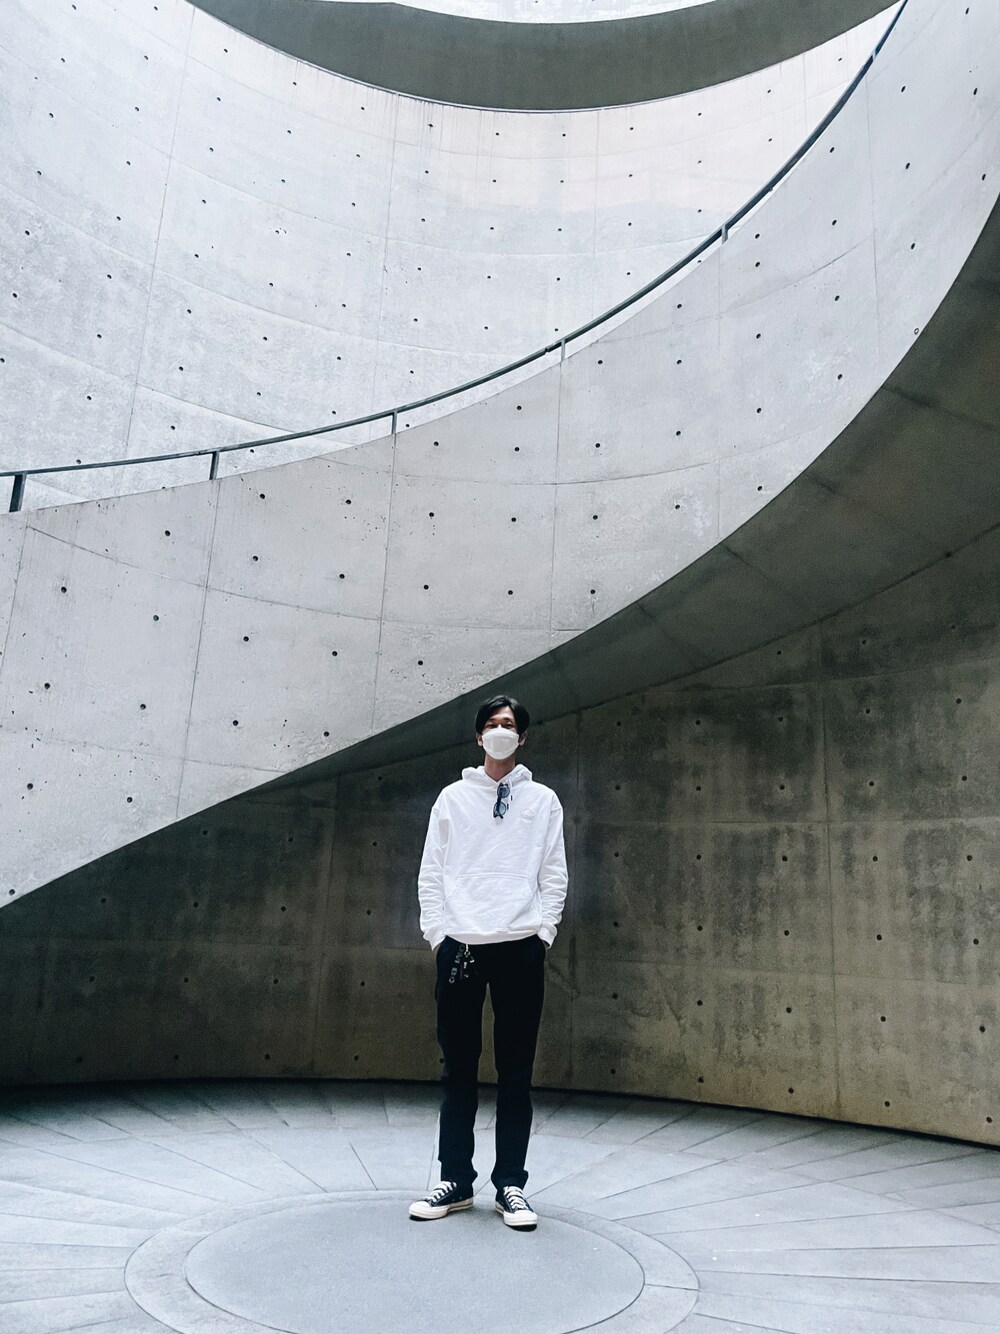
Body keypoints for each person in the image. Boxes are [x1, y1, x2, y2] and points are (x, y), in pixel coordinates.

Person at [409, 693, 568, 1230]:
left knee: (516, 1072)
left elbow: (554, 872)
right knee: (457, 1068)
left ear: (522, 737)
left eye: (510, 724)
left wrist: (543, 933)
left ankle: (511, 1186)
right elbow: (432, 871)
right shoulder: (453, 798)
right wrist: (438, 935)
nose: (501, 731)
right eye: (493, 724)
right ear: (479, 736)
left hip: (521, 944)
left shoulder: (543, 800)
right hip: (461, 945)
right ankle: (455, 1180)